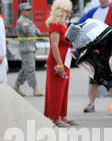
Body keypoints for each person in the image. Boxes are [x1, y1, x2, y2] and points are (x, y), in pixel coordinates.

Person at [43, 0, 77, 128]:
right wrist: (60, 64)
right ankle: (54, 117)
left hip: (65, 60)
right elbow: (54, 46)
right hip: (58, 62)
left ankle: (63, 115)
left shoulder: (63, 24)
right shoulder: (55, 25)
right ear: (62, 10)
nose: (69, 12)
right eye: (68, 10)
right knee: (56, 90)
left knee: (63, 89)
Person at [78, 0, 110, 113]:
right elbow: (80, 23)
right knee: (93, 77)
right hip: (95, 49)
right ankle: (91, 103)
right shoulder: (94, 11)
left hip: (109, 49)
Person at [12, 2, 43, 97]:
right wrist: (35, 31)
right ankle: (35, 88)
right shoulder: (22, 22)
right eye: (27, 10)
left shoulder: (28, 21)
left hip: (30, 48)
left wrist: (35, 31)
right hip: (26, 49)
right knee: (30, 69)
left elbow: (38, 32)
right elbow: (31, 33)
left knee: (25, 68)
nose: (30, 11)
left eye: (30, 9)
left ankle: (16, 86)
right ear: (22, 11)